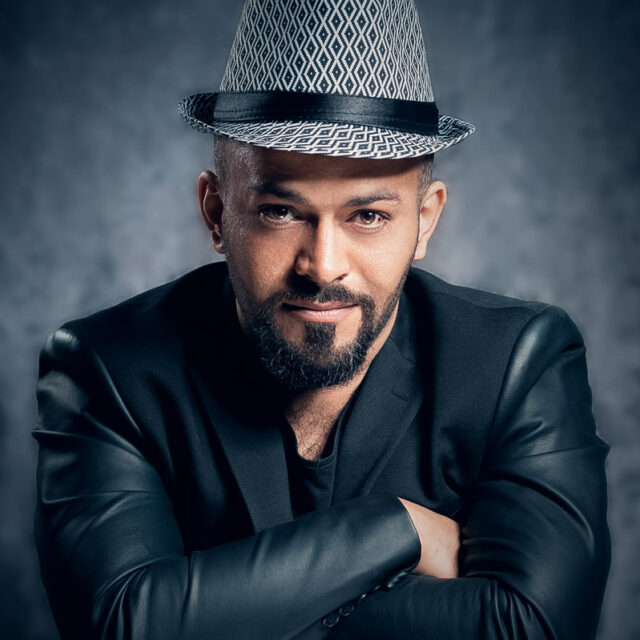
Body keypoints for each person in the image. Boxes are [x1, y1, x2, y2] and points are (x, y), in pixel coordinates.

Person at [33, 1, 610, 638]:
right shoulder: (108, 368)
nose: (323, 265)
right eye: (282, 211)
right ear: (217, 212)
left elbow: (535, 628)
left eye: (368, 216)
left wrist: (221, 611)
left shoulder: (518, 362)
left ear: (425, 221)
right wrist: (397, 528)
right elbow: (121, 626)